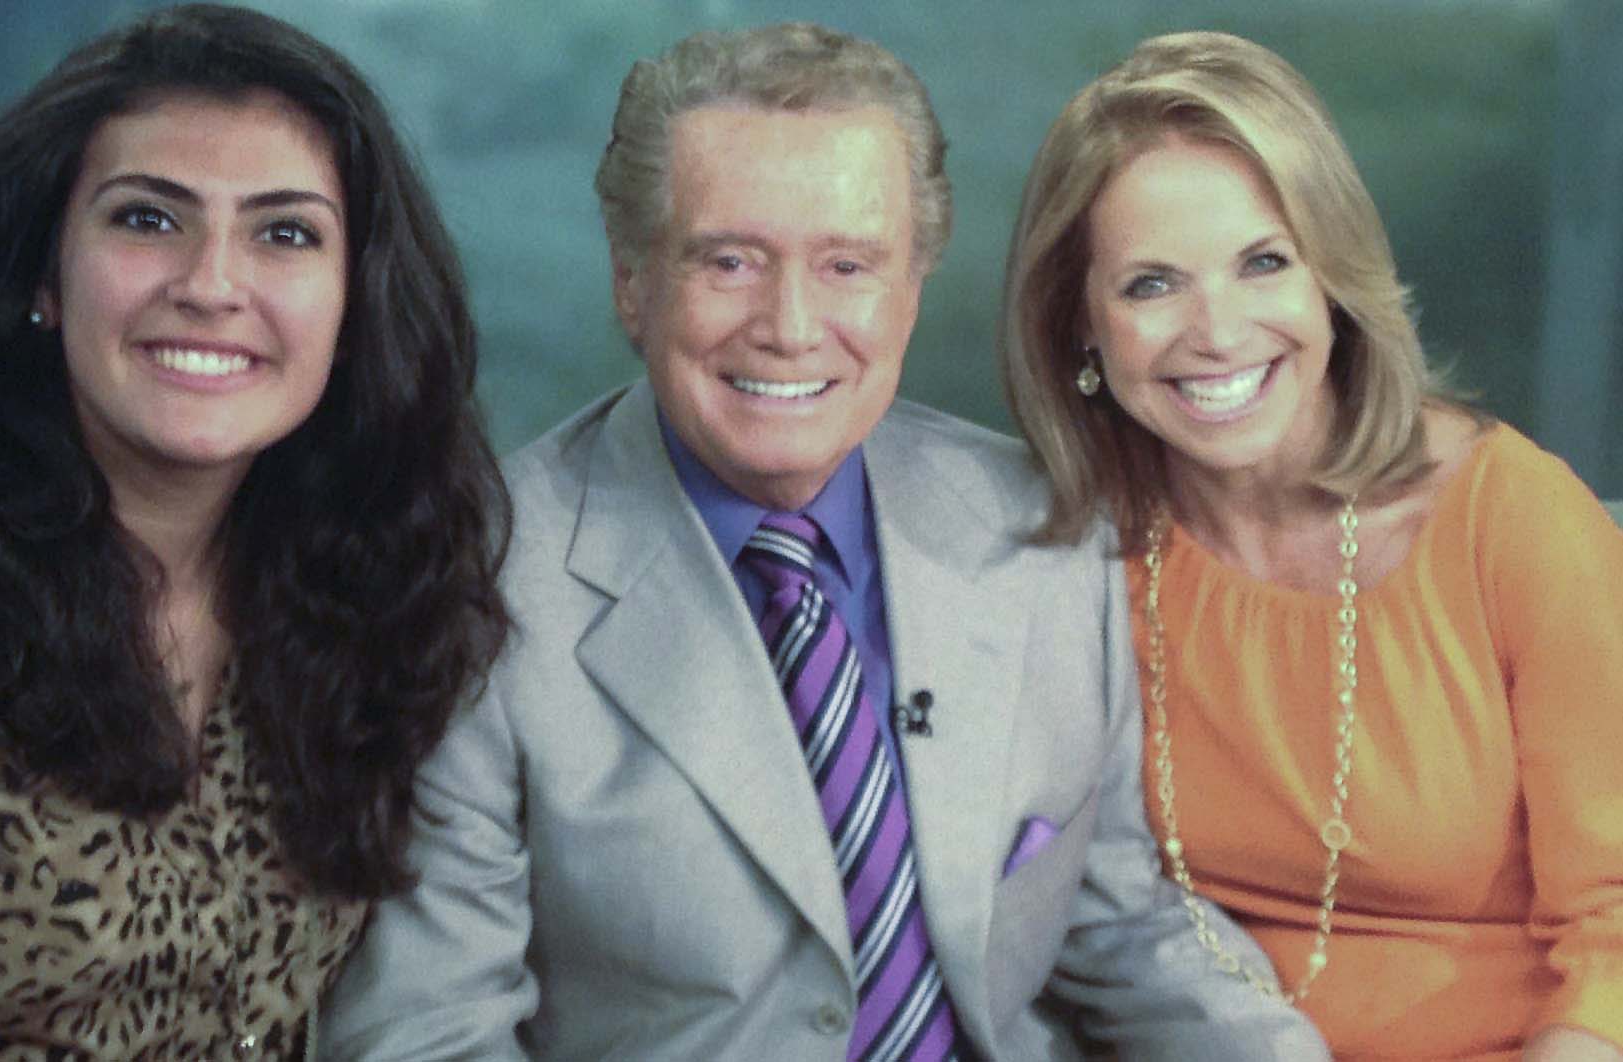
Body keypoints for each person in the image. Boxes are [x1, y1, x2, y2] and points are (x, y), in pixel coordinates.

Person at [321, 22, 1326, 1061]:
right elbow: (429, 1032)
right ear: (633, 281)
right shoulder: (474, 579)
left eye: (848, 264)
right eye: (730, 261)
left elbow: (1121, 923)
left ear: (913, 285)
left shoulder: (1041, 529)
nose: (792, 325)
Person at [0, 5, 509, 1057]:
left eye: (285, 233)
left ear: (355, 310)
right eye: (147, 219)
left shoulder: (372, 601)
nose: (212, 285)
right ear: (43, 276)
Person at [1000, 29, 1623, 1061]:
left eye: (1263, 263)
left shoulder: (1513, 517)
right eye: (1152, 284)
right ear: (1080, 325)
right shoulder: (1065, 549)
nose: (1217, 331)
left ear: (1332, 279)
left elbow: (1619, 930)